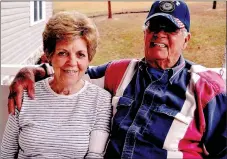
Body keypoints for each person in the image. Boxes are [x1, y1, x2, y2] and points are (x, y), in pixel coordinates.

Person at [6, 1, 227, 159]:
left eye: (170, 29)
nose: (160, 34)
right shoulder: (122, 71)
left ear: (186, 39)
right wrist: (33, 71)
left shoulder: (206, 88)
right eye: (154, 27)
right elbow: (73, 71)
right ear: (145, 33)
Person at [1, 11, 112, 159]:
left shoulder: (101, 101)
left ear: (89, 59)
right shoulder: (25, 93)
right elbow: (6, 153)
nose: (72, 62)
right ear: (49, 55)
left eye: (80, 54)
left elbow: (95, 155)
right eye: (63, 53)